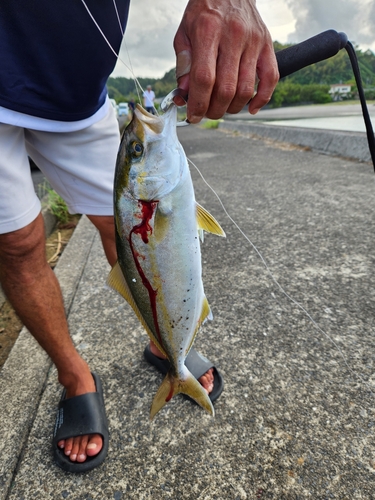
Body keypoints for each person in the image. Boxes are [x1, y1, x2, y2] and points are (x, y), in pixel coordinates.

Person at [0, 0, 278, 473]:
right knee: (16, 244)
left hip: (77, 95)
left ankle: (163, 340)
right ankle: (75, 377)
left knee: (117, 224)